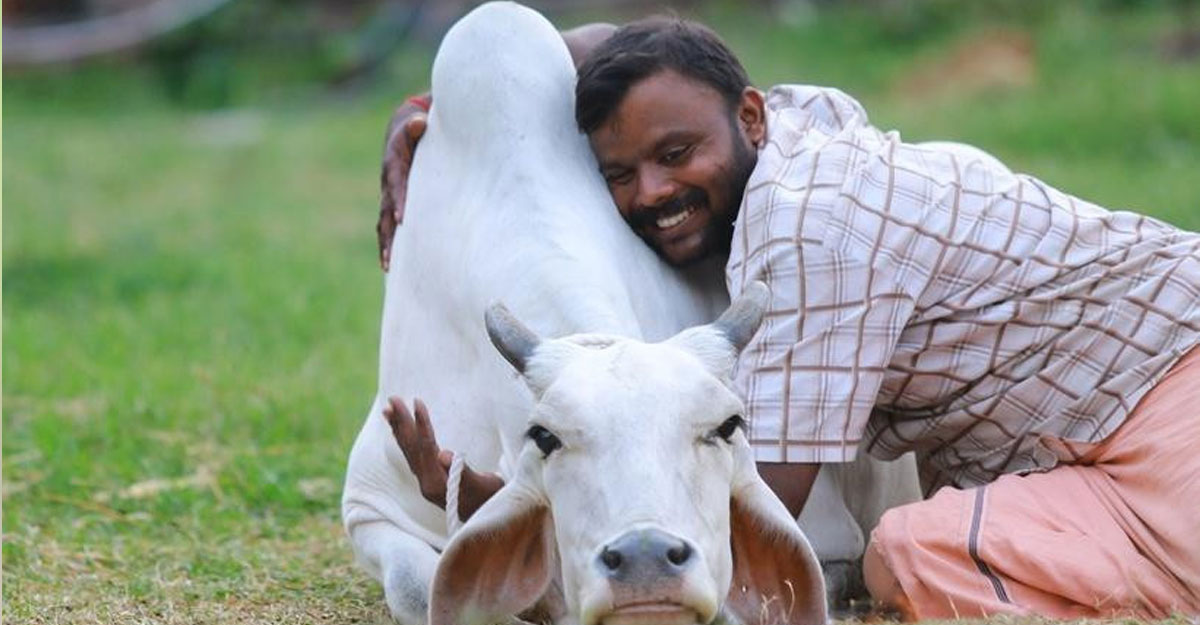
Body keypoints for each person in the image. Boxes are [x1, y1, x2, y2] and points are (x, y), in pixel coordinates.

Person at [377, 16, 1200, 620]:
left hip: (1169, 404)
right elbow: (605, 47)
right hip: (1100, 428)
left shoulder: (812, 240)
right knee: (939, 542)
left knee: (911, 556)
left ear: (751, 119)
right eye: (620, 173)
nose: (653, 193)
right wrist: (446, 111)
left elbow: (751, 512)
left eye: (674, 155)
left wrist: (530, 502)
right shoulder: (808, 129)